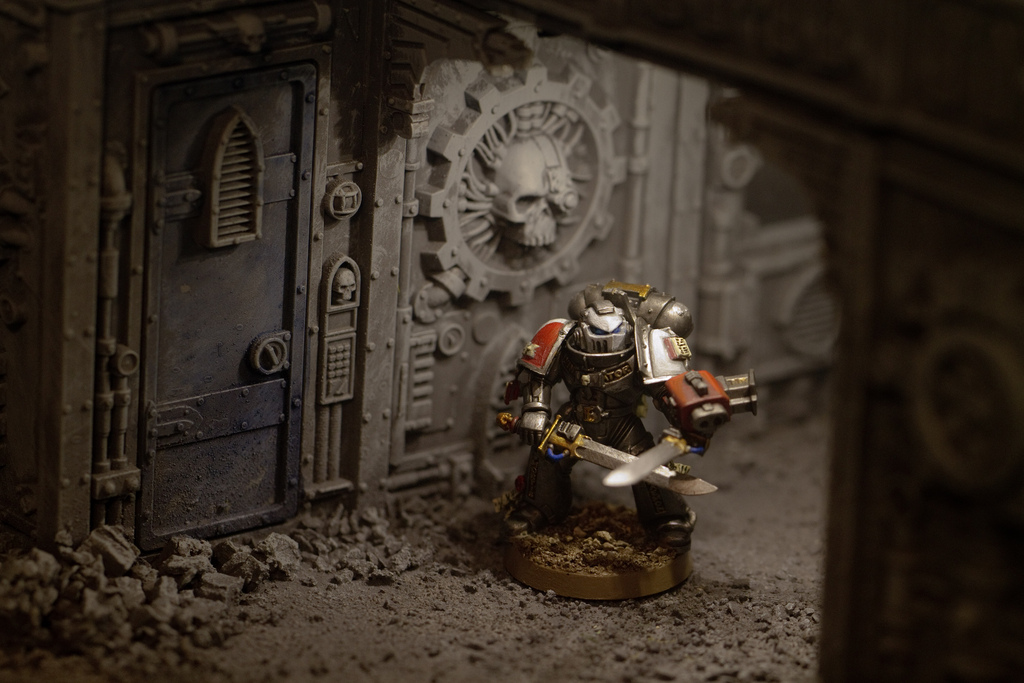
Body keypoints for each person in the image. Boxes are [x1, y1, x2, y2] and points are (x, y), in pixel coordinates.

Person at [505, 280, 704, 549]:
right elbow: (537, 376)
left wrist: (685, 418)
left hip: (622, 423)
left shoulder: (644, 345)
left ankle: (669, 519)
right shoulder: (562, 337)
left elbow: (665, 389)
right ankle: (538, 508)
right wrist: (535, 410)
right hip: (574, 419)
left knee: (648, 465)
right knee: (546, 456)